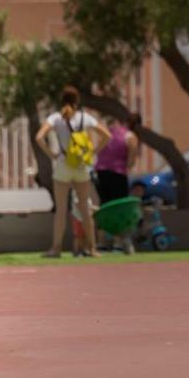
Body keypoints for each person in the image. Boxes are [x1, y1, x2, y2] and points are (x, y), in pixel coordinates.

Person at [35, 85, 110, 257]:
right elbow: (107, 136)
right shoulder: (85, 118)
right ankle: (92, 248)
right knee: (85, 208)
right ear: (77, 101)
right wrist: (92, 152)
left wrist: (52, 154)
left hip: (63, 165)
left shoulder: (56, 118)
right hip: (81, 166)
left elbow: (39, 137)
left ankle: (56, 248)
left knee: (61, 209)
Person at [94, 113, 141, 253]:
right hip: (118, 174)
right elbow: (131, 161)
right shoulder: (131, 137)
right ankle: (118, 243)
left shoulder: (110, 131)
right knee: (119, 207)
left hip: (101, 172)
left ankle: (101, 242)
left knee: (104, 205)